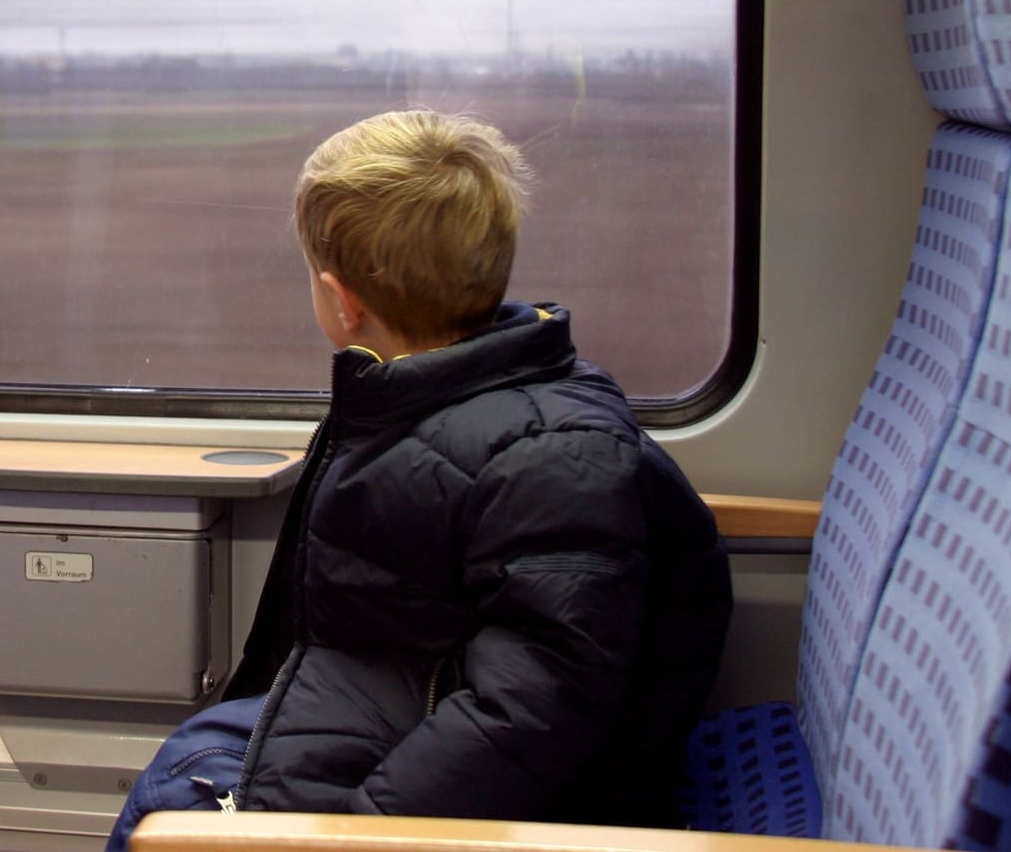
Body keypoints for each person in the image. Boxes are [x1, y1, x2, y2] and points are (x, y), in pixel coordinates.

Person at [105, 110, 732, 851]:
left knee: (174, 812)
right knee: (187, 769)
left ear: (343, 302)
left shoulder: (551, 459)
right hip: (387, 709)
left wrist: (362, 835)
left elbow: (538, 706)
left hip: (471, 789)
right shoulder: (411, 402)